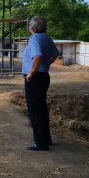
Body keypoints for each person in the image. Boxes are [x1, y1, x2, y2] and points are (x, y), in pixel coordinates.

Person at [23, 16, 60, 151]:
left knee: (35, 109)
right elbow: (56, 53)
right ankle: (45, 138)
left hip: (35, 78)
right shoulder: (46, 38)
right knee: (41, 108)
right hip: (43, 76)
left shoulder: (35, 39)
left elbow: (37, 56)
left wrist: (32, 72)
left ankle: (40, 142)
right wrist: (45, 65)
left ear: (31, 28)